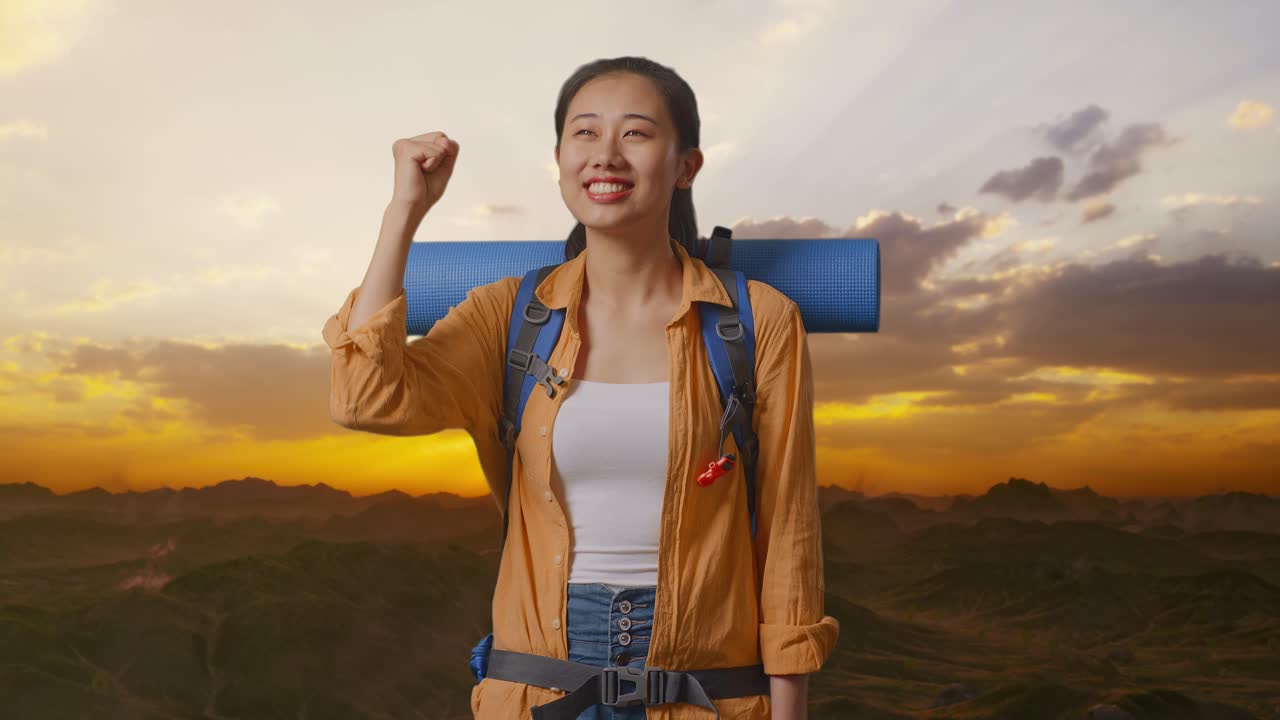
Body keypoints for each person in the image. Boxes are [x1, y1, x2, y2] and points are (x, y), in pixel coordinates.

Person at [322, 56, 838, 720]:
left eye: (638, 134)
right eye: (585, 133)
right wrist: (404, 210)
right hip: (537, 693)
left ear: (686, 165)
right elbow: (363, 396)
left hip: (708, 699)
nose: (607, 156)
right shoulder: (508, 316)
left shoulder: (757, 322)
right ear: (561, 157)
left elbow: (791, 536)